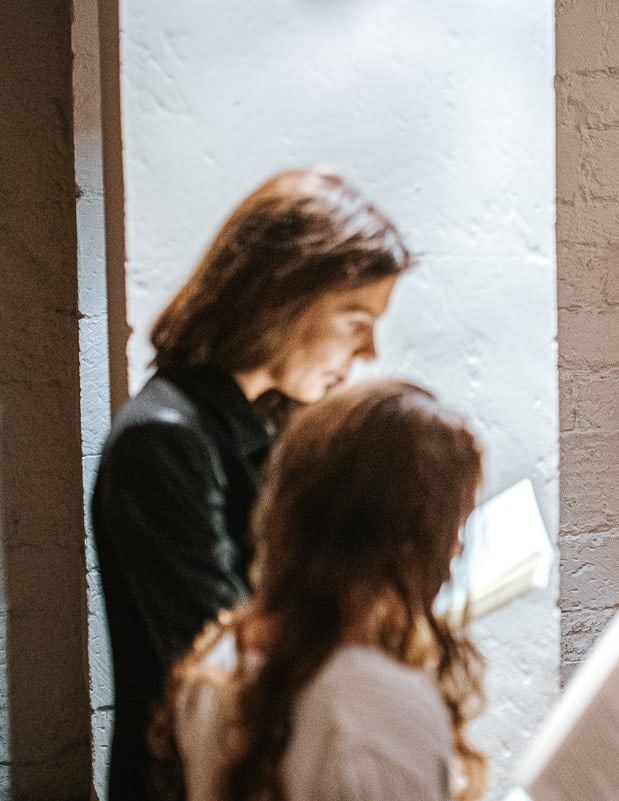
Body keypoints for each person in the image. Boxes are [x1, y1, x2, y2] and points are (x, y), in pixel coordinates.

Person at [91, 167, 412, 801]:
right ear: (279, 300)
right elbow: (222, 659)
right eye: (355, 320)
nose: (371, 351)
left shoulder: (269, 416)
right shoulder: (163, 441)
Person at [156, 379, 488, 801]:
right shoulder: (379, 706)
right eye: (455, 522)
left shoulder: (221, 658)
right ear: (407, 537)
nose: (458, 546)